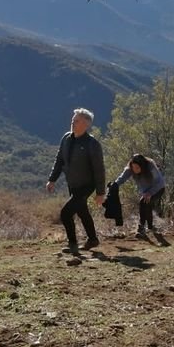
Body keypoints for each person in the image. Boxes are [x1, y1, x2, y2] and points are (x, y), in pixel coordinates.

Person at [46, 108, 105, 255]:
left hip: (87, 185)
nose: (72, 122)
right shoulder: (66, 138)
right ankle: (93, 239)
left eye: (76, 120)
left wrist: (100, 192)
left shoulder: (92, 144)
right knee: (82, 211)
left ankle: (73, 244)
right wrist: (52, 179)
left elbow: (99, 169)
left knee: (65, 213)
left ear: (86, 124)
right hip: (73, 184)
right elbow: (59, 160)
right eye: (73, 119)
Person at [115, 154, 165, 237]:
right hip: (146, 191)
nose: (135, 170)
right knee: (147, 205)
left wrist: (150, 193)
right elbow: (122, 178)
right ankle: (151, 227)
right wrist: (114, 185)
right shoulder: (130, 168)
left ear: (143, 166)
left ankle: (141, 229)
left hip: (158, 189)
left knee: (143, 202)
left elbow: (160, 183)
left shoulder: (150, 166)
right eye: (133, 167)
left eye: (137, 168)